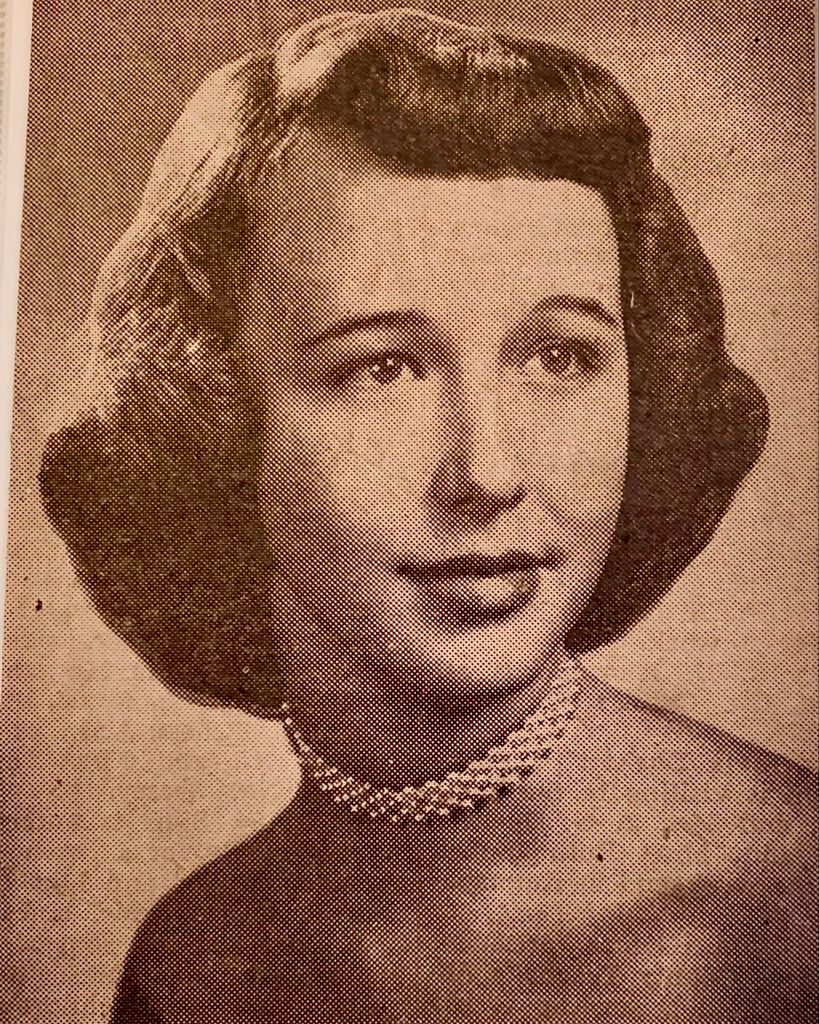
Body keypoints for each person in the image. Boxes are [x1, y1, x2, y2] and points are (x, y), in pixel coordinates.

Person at [39, 8, 816, 1022]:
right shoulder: (195, 965)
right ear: (216, 416)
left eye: (561, 356)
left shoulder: (785, 900)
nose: (487, 474)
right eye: (383, 367)